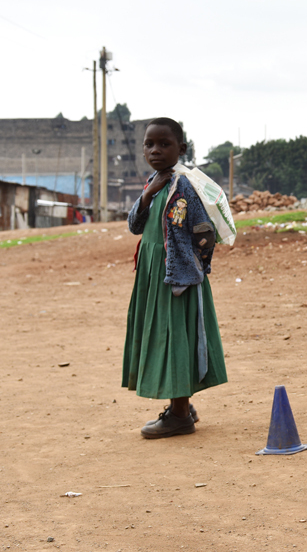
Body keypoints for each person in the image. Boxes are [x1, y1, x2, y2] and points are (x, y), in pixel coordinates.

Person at [123, 117, 228, 439]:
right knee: (164, 337)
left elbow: (204, 233)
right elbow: (135, 226)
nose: (155, 150)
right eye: (149, 144)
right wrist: (146, 195)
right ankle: (182, 406)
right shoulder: (156, 182)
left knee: (175, 339)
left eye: (164, 144)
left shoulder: (185, 185)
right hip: (154, 274)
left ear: (181, 149)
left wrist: (192, 269)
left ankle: (180, 415)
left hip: (176, 278)